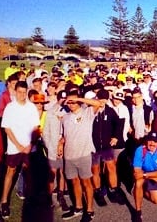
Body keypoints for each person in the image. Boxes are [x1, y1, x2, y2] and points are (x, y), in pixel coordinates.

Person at [59, 92, 104, 221]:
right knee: (74, 182)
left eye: (73, 101)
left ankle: (89, 210)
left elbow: (98, 103)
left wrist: (77, 98)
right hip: (69, 156)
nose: (71, 104)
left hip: (83, 154)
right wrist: (60, 144)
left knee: (86, 183)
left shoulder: (87, 113)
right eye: (69, 102)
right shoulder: (65, 117)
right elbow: (64, 136)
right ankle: (78, 207)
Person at [0, 81, 40, 219]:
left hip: (29, 147)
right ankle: (4, 201)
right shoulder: (10, 107)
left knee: (28, 172)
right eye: (20, 92)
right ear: (15, 92)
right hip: (14, 147)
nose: (22, 95)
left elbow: (36, 127)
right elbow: (7, 128)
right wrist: (17, 145)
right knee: (11, 172)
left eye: (24, 92)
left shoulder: (32, 107)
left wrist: (30, 144)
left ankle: (29, 199)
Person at [131, 132, 157, 222]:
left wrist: (146, 175)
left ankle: (142, 191)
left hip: (149, 175)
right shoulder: (140, 150)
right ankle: (138, 211)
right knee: (138, 183)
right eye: (150, 140)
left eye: (155, 141)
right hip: (147, 174)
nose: (152, 143)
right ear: (146, 141)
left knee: (156, 200)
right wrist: (155, 177)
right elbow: (137, 172)